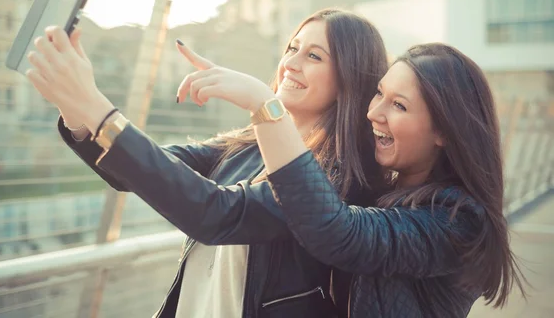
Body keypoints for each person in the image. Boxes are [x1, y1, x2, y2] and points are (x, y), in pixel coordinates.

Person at [25, 8, 389, 317]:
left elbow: (216, 213)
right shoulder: (246, 146)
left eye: (314, 56)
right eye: (292, 48)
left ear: (349, 78)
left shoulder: (336, 181)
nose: (290, 64)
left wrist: (95, 106)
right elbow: (145, 170)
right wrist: (76, 110)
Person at [181, 42, 525, 317]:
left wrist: (266, 107)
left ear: (444, 132)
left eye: (399, 106)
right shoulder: (380, 190)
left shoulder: (459, 222)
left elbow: (340, 232)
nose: (374, 113)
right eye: (379, 94)